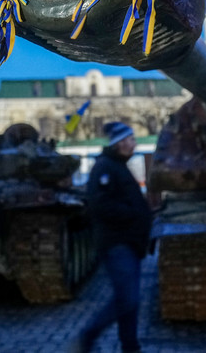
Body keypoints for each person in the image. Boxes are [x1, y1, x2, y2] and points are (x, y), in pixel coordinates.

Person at [71, 121, 153, 353]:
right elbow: (100, 205)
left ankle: (130, 346)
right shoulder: (105, 167)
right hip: (117, 243)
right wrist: (134, 215)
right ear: (117, 143)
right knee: (127, 299)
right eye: (128, 140)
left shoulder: (118, 166)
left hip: (129, 243)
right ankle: (86, 338)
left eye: (133, 139)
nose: (133, 144)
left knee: (130, 301)